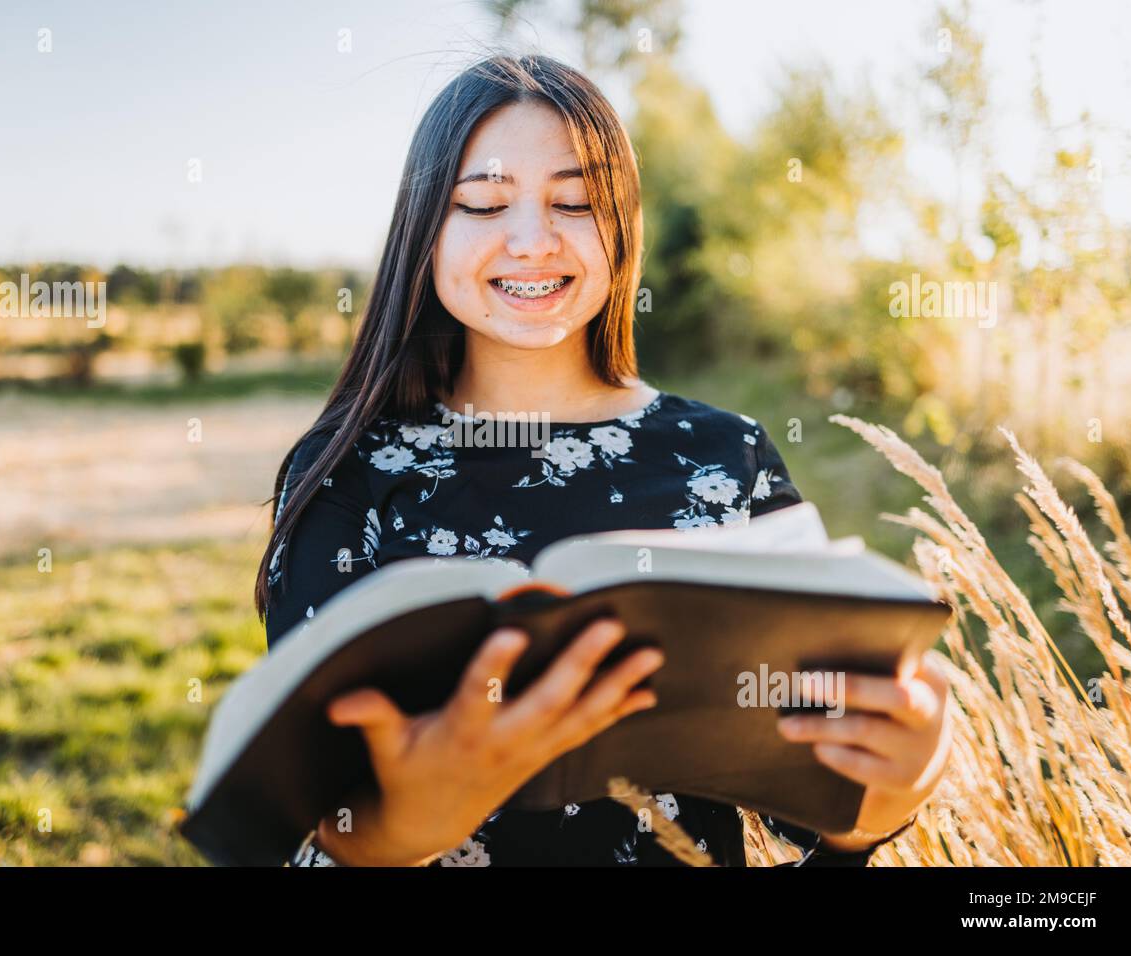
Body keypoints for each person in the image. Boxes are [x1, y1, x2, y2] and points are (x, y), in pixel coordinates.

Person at [255, 53, 952, 867]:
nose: (531, 240)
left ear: (621, 223)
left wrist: (890, 792)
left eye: (575, 201)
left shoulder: (724, 457)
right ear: (425, 229)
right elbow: (323, 809)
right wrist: (420, 809)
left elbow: (819, 800)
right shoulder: (350, 469)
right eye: (482, 202)